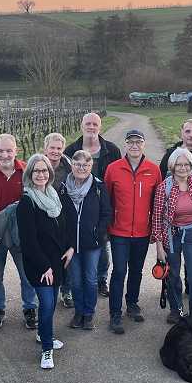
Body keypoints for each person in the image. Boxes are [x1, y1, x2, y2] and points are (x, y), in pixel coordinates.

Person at [17, 154, 74, 369]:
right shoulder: (27, 202)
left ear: (49, 173)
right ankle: (47, 349)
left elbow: (64, 227)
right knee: (48, 304)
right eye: (36, 171)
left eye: (44, 170)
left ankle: (43, 334)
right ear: (29, 174)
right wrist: (45, 266)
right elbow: (28, 241)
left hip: (58, 261)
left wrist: (71, 248)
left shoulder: (54, 195)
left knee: (49, 303)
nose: (41, 174)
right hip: (39, 265)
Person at [0, 134, 38, 330]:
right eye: (0, 151)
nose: (5, 155)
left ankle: (30, 308)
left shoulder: (28, 171)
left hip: (22, 233)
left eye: (9, 151)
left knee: (27, 274)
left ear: (16, 151)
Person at [103, 129, 162, 334]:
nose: (134, 145)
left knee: (136, 270)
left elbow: (157, 203)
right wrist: (107, 226)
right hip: (119, 231)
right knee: (119, 271)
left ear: (144, 144)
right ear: (126, 145)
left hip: (142, 232)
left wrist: (154, 229)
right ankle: (115, 313)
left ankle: (132, 303)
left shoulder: (153, 170)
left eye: (138, 142)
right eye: (131, 142)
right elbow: (106, 200)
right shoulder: (113, 169)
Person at [152, 148, 192, 323]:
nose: (183, 168)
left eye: (186, 164)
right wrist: (159, 248)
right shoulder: (164, 187)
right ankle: (176, 310)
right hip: (171, 235)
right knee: (173, 275)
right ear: (172, 166)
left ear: (191, 165)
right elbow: (157, 218)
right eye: (179, 164)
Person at [64, 113, 121, 298]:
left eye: (95, 124)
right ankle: (71, 287)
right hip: (77, 205)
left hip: (101, 205)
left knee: (102, 249)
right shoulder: (71, 149)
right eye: (88, 123)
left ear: (100, 127)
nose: (91, 127)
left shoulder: (111, 150)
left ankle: (101, 279)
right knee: (73, 251)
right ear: (82, 126)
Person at [59, 150, 112, 330]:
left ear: (91, 166)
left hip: (93, 243)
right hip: (71, 245)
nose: (81, 168)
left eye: (85, 165)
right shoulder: (63, 188)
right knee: (75, 280)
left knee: (90, 279)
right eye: (78, 164)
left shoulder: (98, 187)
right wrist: (65, 240)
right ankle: (78, 312)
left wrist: (98, 232)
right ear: (72, 165)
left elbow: (106, 213)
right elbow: (59, 216)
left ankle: (88, 314)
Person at [44, 132, 74, 308]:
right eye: (52, 148)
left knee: (66, 257)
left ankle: (66, 290)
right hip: (44, 219)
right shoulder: (38, 166)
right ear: (45, 149)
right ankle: (47, 291)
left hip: (64, 219)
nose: (55, 151)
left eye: (59, 148)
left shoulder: (69, 168)